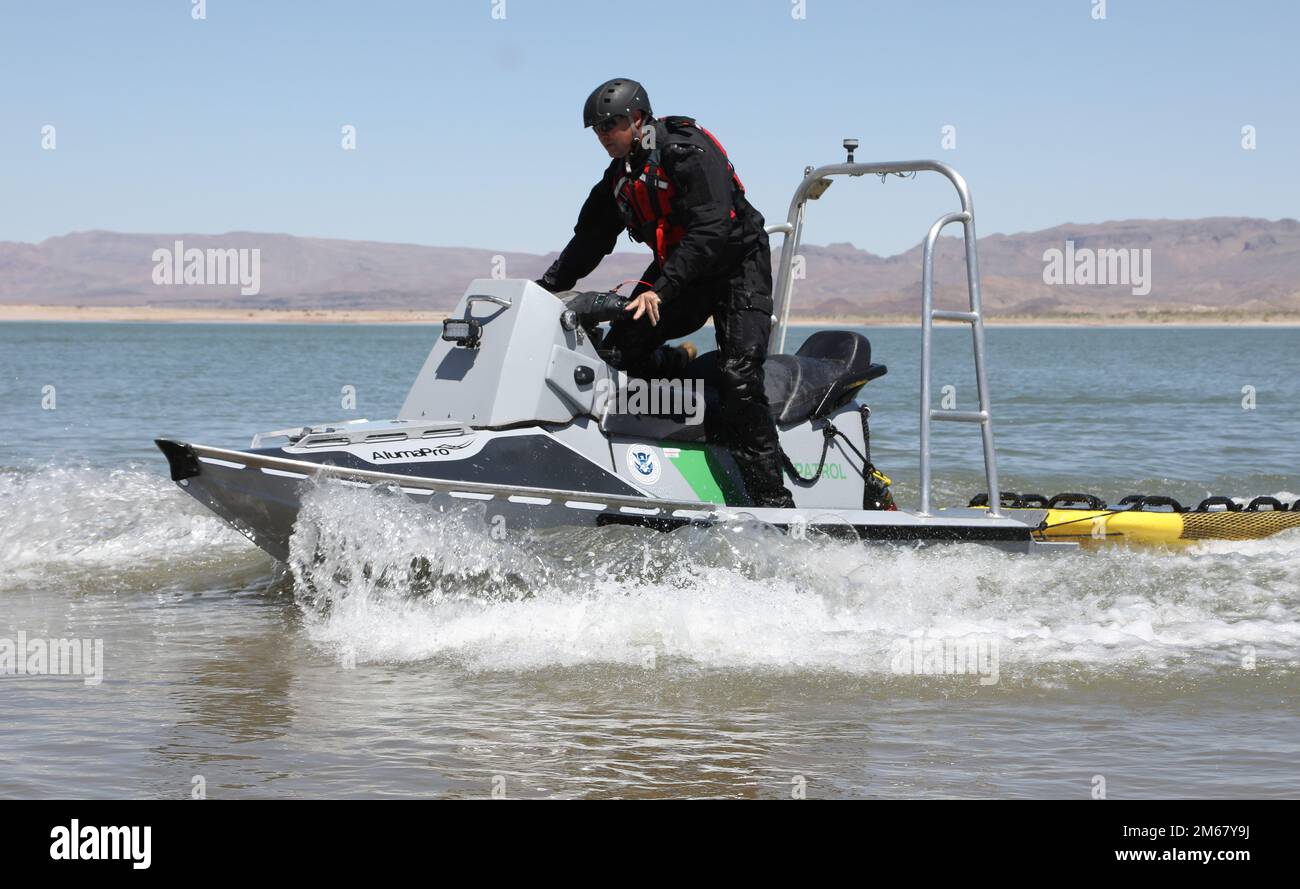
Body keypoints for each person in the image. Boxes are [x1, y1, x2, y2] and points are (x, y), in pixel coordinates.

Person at [534, 78, 795, 508]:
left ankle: (774, 502)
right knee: (619, 351)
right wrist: (545, 288)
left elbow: (713, 229)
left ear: (637, 119)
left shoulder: (685, 151)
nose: (604, 136)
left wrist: (662, 288)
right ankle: (677, 376)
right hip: (681, 270)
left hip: (736, 267)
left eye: (611, 125)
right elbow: (591, 239)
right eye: (597, 130)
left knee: (740, 379)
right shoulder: (620, 177)